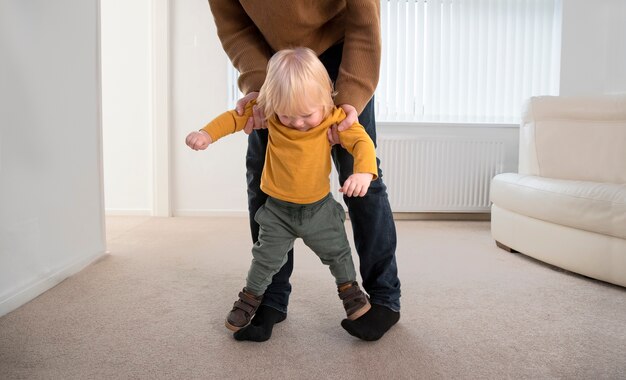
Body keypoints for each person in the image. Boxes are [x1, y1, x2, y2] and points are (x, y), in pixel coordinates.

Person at [207, 0, 401, 342]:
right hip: (276, 64)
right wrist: (258, 83)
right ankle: (271, 298)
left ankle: (384, 299)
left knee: (362, 177)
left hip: (342, 51)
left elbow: (363, 21)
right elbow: (234, 26)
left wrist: (352, 95)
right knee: (262, 179)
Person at [186, 47, 376, 334]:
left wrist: (363, 171)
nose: (297, 123)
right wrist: (206, 134)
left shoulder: (333, 118)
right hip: (277, 211)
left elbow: (362, 142)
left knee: (339, 253)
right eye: (288, 116)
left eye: (306, 115)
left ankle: (350, 292)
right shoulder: (271, 113)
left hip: (319, 210)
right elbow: (234, 118)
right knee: (264, 259)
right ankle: (249, 298)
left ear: (324, 99)